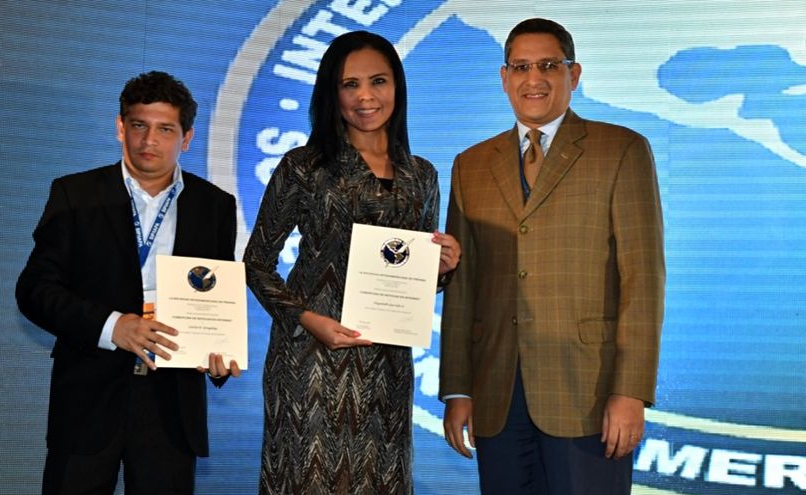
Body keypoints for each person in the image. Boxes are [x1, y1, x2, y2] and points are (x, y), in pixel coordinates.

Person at [439, 18, 665, 494]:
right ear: (504, 78)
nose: (534, 79)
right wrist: (458, 388)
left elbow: (643, 280)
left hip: (588, 394)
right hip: (496, 396)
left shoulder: (621, 150)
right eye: (521, 67)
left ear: (573, 74)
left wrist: (630, 391)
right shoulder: (469, 165)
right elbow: (463, 288)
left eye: (548, 65)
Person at [244, 31, 461, 494]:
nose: (365, 97)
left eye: (378, 81)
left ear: (397, 86)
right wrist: (306, 319)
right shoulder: (303, 166)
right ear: (332, 93)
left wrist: (442, 268)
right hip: (309, 361)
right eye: (350, 84)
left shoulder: (421, 174)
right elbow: (256, 262)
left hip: (387, 366)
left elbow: (416, 280)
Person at [16, 71, 241, 495]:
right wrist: (112, 326)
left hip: (172, 405)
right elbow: (35, 290)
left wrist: (217, 353)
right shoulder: (75, 194)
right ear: (121, 127)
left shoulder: (215, 206)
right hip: (88, 396)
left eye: (165, 129)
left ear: (187, 138)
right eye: (139, 125)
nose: (149, 140)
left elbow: (216, 295)